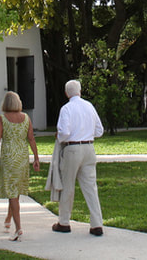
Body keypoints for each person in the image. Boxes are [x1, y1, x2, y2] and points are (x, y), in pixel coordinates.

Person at [51, 79, 104, 236]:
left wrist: (59, 136)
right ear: (80, 91)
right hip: (89, 147)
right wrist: (86, 133)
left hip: (72, 148)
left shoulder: (66, 109)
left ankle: (64, 222)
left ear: (66, 93)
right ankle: (96, 224)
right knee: (90, 187)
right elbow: (99, 130)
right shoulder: (89, 106)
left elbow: (65, 132)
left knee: (68, 186)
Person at [0, 91, 40, 241]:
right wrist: (36, 157)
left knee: (11, 192)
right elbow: (31, 139)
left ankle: (18, 228)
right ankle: (8, 219)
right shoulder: (26, 118)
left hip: (9, 157)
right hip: (22, 157)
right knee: (14, 191)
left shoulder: (2, 119)